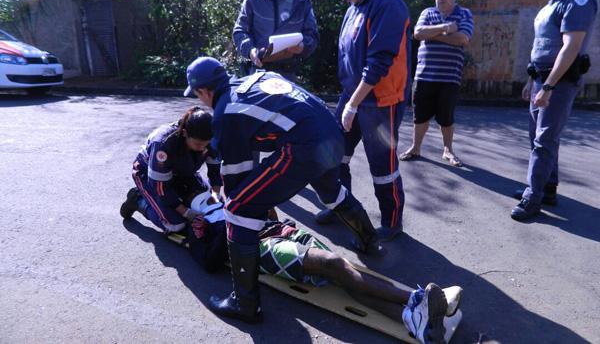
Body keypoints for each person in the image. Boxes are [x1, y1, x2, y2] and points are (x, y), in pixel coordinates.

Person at [183, 56, 385, 323]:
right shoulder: (256, 77)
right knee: (330, 192)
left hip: (304, 145)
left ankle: (245, 303)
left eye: (198, 95)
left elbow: (237, 182)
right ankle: (369, 241)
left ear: (204, 91)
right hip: (332, 134)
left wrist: (240, 212)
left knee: (237, 209)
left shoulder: (225, 114)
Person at [183, 191, 463, 344]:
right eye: (206, 202)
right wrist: (212, 227)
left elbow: (270, 214)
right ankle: (418, 300)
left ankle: (417, 323)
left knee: (344, 277)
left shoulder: (235, 197)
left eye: (212, 198)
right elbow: (210, 259)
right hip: (262, 249)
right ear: (200, 209)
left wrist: (262, 207)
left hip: (286, 233)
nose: (213, 200)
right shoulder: (209, 224)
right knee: (334, 264)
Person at [315, 0, 411, 243]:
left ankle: (392, 221)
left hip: (381, 100)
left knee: (382, 165)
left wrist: (354, 104)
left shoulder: (387, 3)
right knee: (334, 153)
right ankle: (340, 205)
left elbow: (378, 63)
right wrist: (349, 100)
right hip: (353, 94)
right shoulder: (355, 5)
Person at [511, 0, 597, 221]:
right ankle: (547, 188)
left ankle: (533, 198)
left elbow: (571, 47)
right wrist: (531, 81)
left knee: (544, 140)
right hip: (541, 80)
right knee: (540, 139)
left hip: (557, 82)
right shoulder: (552, 3)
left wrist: (548, 86)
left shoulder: (578, 0)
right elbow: (541, 47)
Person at [398, 0, 474, 168]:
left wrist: (433, 34)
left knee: (446, 117)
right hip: (424, 76)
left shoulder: (464, 14)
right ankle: (416, 148)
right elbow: (417, 33)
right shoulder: (427, 13)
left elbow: (462, 39)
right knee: (420, 115)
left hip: (450, 77)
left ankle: (448, 150)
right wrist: (446, 28)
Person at [119, 106, 222, 236]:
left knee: (211, 206)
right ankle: (139, 201)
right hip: (150, 175)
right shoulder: (163, 144)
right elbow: (160, 188)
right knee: (176, 224)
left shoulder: (211, 138)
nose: (202, 148)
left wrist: (215, 195)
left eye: (205, 144)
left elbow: (215, 171)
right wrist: (186, 212)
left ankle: (181, 203)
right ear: (185, 133)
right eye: (197, 144)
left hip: (183, 173)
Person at [233, 0, 319, 81]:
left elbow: (312, 35)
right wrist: (250, 51)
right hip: (258, 72)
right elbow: (240, 31)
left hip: (288, 74)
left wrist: (302, 46)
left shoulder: (302, 3)